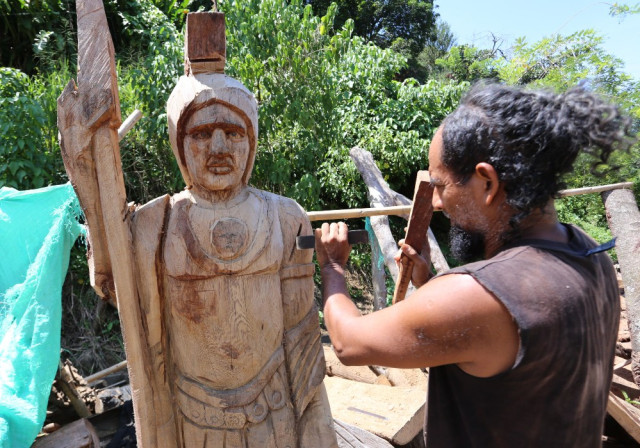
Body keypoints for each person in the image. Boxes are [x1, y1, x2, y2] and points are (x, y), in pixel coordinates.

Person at [315, 83, 634, 447]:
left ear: (487, 182)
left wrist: (333, 269)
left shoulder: (479, 298)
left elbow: (347, 344)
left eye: (440, 185)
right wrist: (431, 282)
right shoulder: (589, 253)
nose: (435, 202)